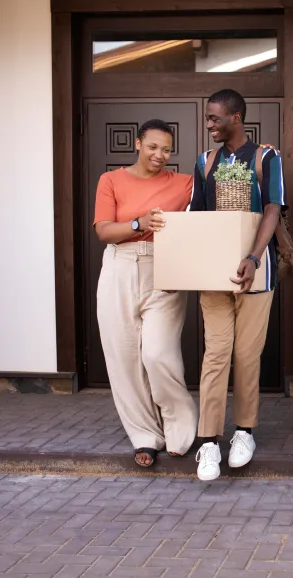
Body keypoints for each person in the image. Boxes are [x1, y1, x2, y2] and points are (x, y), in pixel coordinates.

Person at [188, 89, 285, 479]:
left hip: (257, 272)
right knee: (216, 354)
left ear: (236, 117)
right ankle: (208, 441)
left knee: (246, 355)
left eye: (214, 118)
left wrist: (252, 257)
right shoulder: (205, 161)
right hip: (213, 273)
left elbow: (273, 207)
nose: (208, 124)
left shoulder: (266, 157)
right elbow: (197, 215)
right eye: (207, 118)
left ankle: (244, 432)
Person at [93, 119, 198, 468]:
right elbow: (105, 231)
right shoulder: (111, 180)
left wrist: (259, 157)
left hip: (163, 269)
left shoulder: (183, 183)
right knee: (124, 359)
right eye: (153, 146)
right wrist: (139, 223)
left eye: (166, 149)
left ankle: (181, 431)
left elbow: (219, 183)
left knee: (157, 353)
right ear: (138, 144)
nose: (160, 154)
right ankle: (145, 436)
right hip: (119, 267)